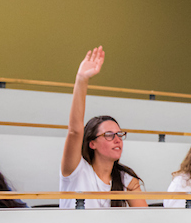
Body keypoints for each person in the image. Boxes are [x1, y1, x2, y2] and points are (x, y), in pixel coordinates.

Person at [59, 46, 147, 208]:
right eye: (109, 135)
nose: (117, 140)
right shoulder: (76, 170)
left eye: (119, 134)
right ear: (92, 143)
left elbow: (144, 218)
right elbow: (75, 130)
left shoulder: (127, 180)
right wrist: (81, 80)